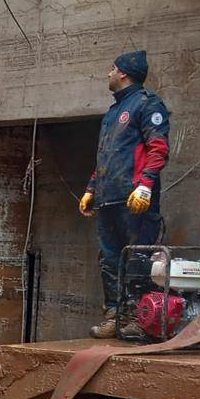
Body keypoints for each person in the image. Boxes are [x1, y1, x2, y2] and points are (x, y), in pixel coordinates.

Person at [79, 50, 171, 338]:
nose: (108, 73)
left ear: (124, 73)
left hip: (135, 200)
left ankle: (139, 318)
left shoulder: (147, 104)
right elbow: (106, 156)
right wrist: (91, 189)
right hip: (109, 198)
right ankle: (114, 316)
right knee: (109, 260)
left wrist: (145, 184)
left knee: (138, 258)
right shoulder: (112, 112)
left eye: (112, 68)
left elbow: (158, 148)